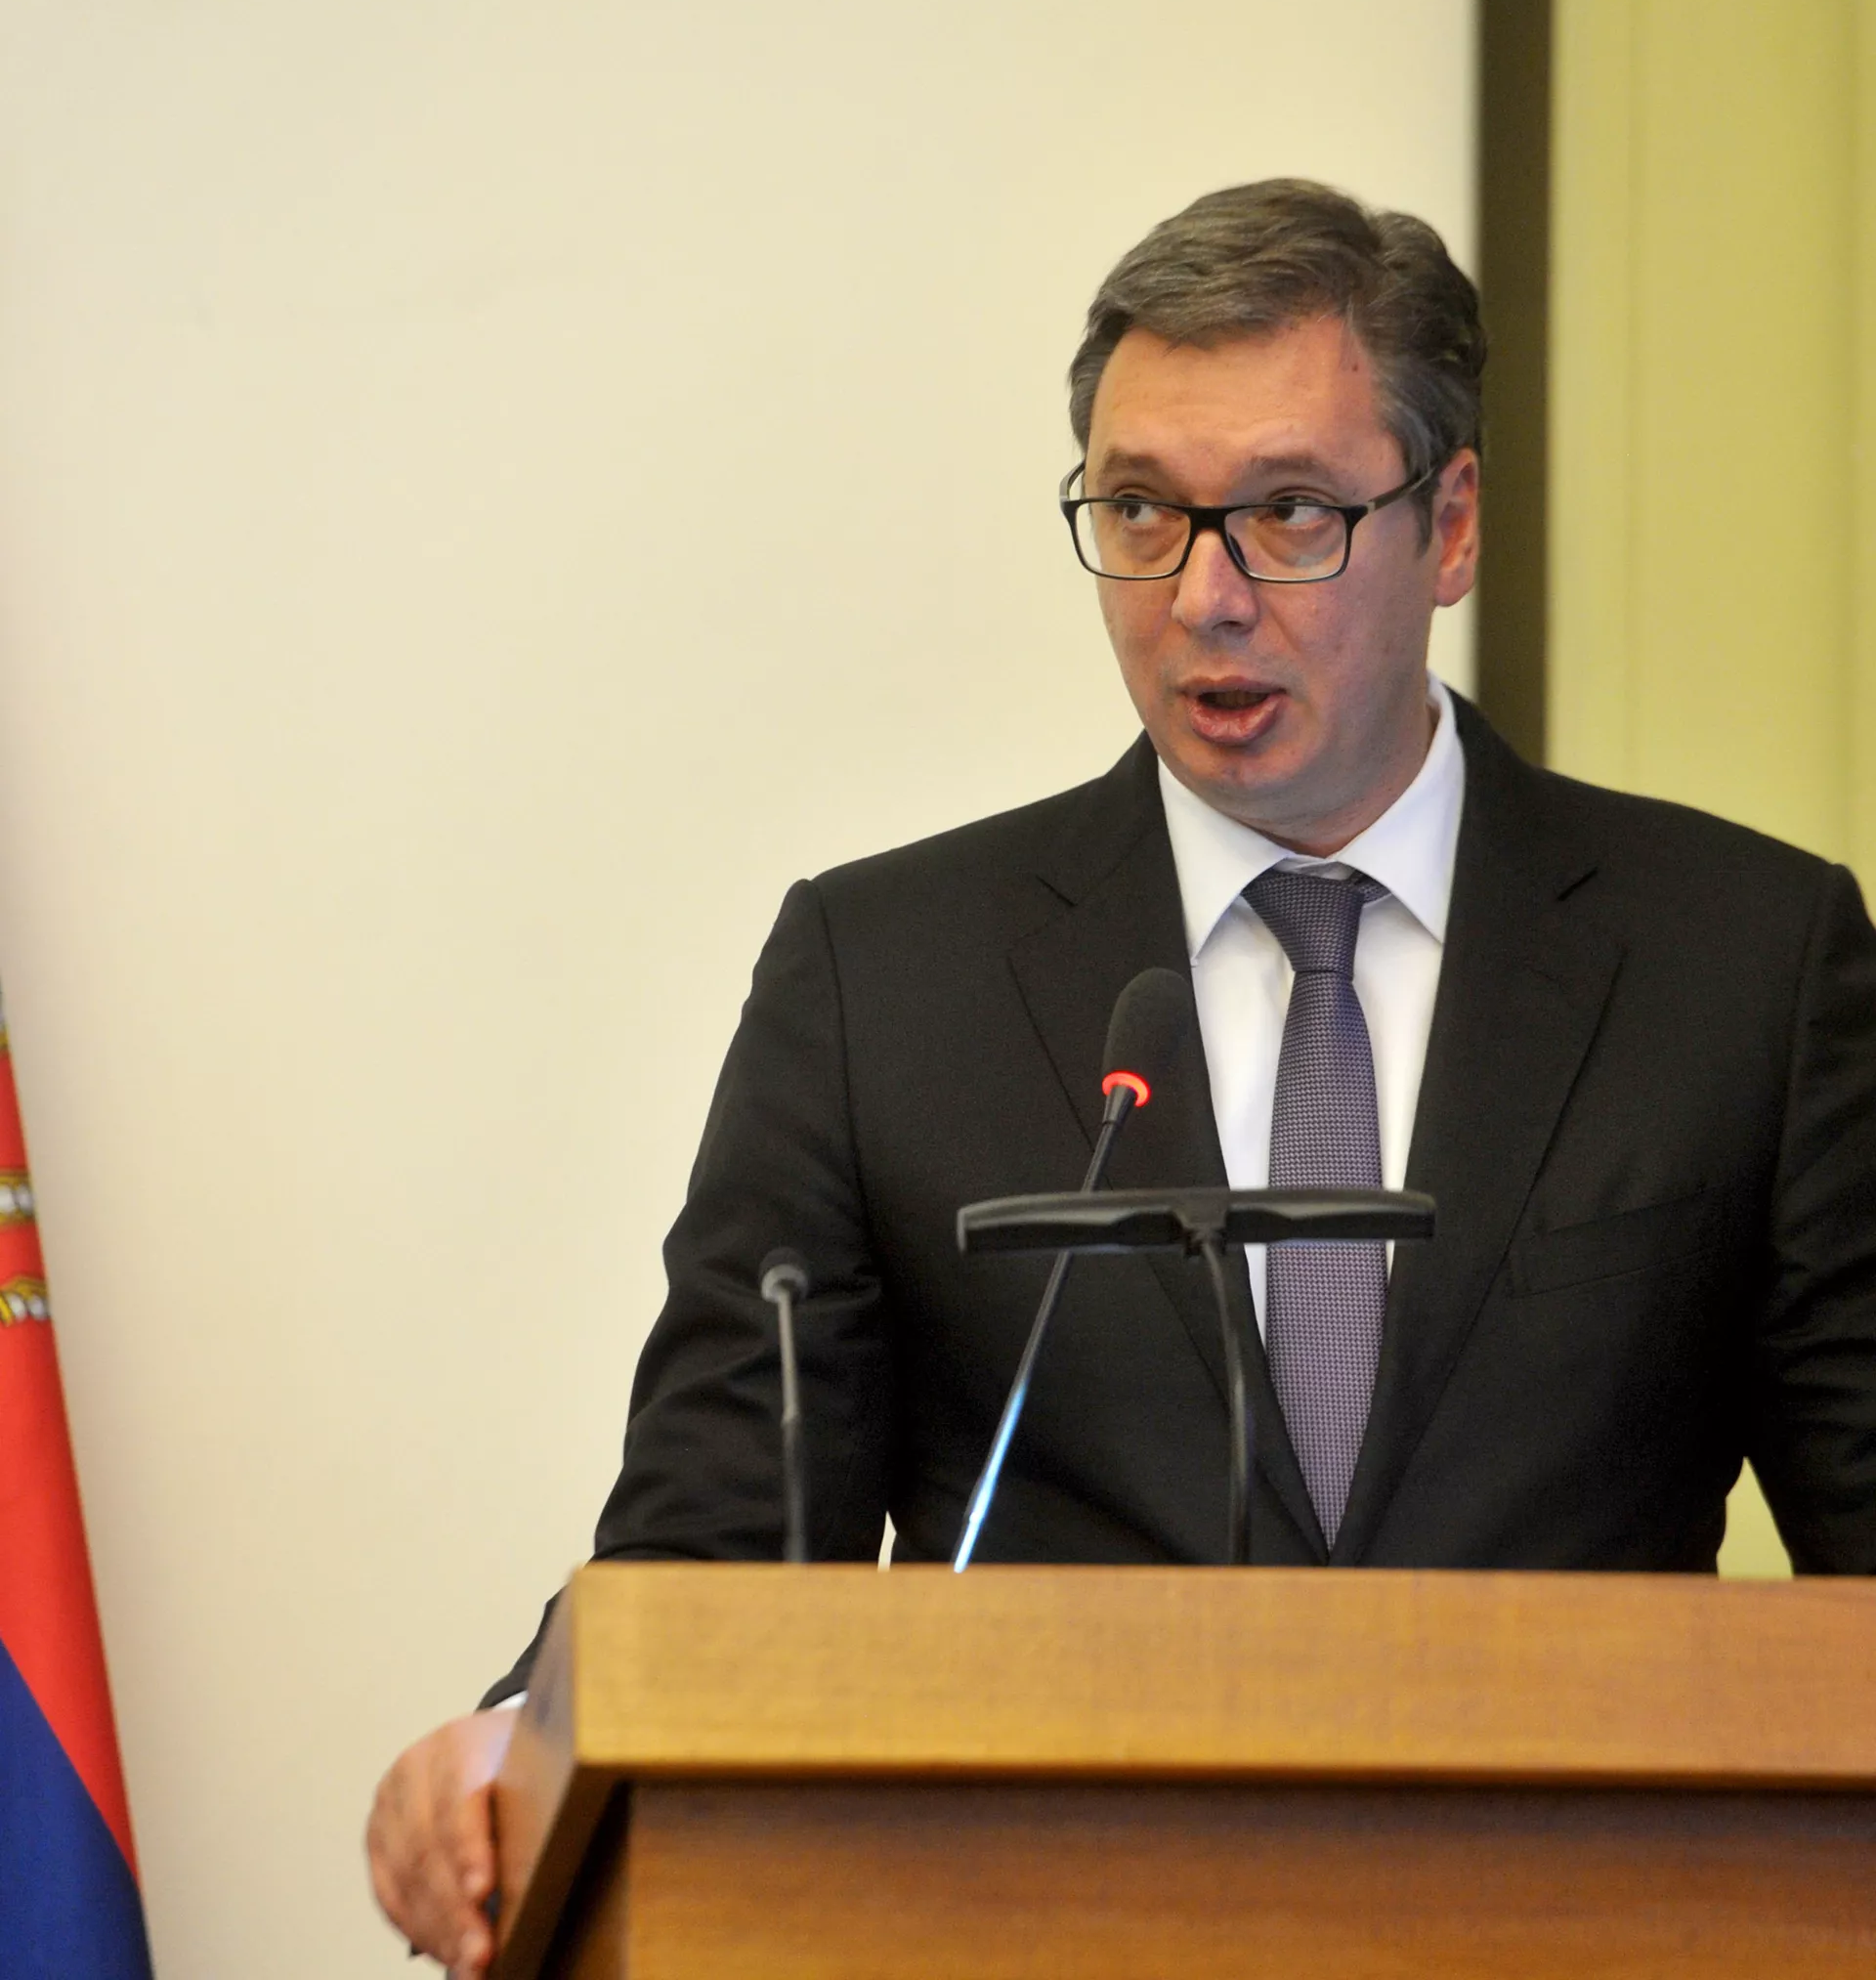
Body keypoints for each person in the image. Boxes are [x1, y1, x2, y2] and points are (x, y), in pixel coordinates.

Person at [365, 179, 1876, 1970]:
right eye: (1142, 511)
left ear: (1453, 524)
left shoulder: (1742, 963)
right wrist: (514, 1742)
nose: (1203, 598)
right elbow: (718, 1540)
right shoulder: (886, 976)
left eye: (1290, 513)